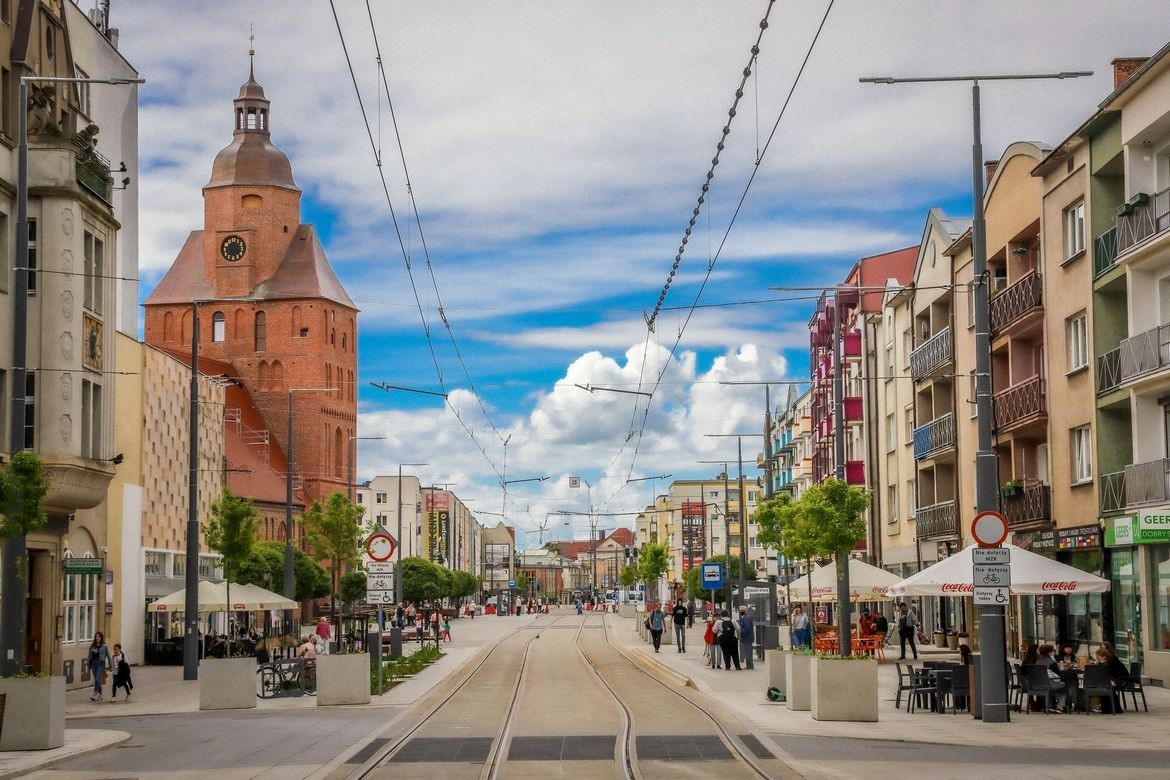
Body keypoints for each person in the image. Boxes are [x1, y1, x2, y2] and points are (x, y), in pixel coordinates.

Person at [87, 632, 111, 702]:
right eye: (96, 636)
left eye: (99, 636)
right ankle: (100, 694)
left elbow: (108, 656)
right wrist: (88, 663)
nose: (97, 638)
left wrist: (111, 666)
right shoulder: (92, 646)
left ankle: (94, 694)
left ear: (101, 638)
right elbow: (89, 655)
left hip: (101, 663)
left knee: (98, 679)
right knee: (96, 680)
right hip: (93, 663)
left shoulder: (104, 646)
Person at [738, 605, 756, 669]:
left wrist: (741, 632)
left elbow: (747, 628)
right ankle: (749, 665)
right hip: (747, 637)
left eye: (741, 610)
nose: (740, 612)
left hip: (747, 638)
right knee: (748, 652)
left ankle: (749, 666)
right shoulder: (745, 617)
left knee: (748, 652)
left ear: (745, 611)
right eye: (740, 610)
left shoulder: (747, 618)